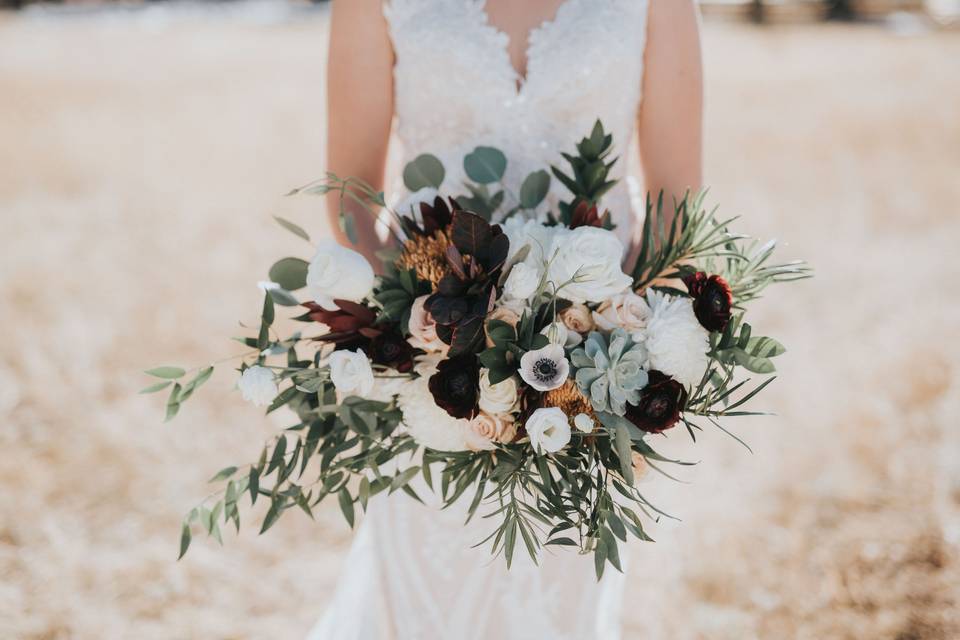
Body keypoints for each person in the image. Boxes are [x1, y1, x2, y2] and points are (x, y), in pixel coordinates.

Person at [310, 1, 703, 637]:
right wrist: (426, 340)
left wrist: (612, 357)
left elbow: (675, 203)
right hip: (432, 389)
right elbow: (351, 197)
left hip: (582, 398)